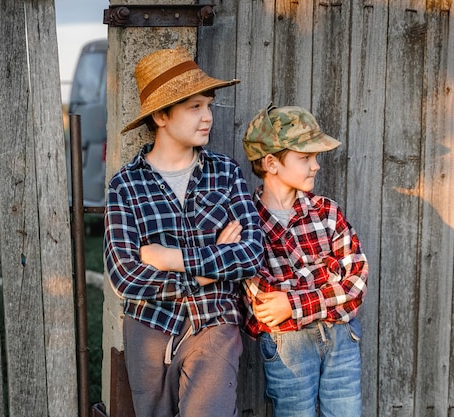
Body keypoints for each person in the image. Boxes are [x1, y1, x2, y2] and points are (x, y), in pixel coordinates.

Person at [104, 47, 264, 417]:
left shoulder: (225, 173)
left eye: (208, 105)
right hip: (149, 326)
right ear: (161, 115)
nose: (207, 117)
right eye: (194, 107)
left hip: (214, 321)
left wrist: (169, 258)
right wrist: (207, 274)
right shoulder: (125, 186)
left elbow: (251, 252)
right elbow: (125, 276)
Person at [241, 104, 369, 417]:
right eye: (305, 157)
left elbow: (355, 284)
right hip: (289, 347)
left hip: (341, 340)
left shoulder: (327, 212)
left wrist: (293, 302)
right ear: (271, 162)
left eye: (316, 157)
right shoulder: (247, 222)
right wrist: (327, 277)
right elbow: (266, 306)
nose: (316, 166)